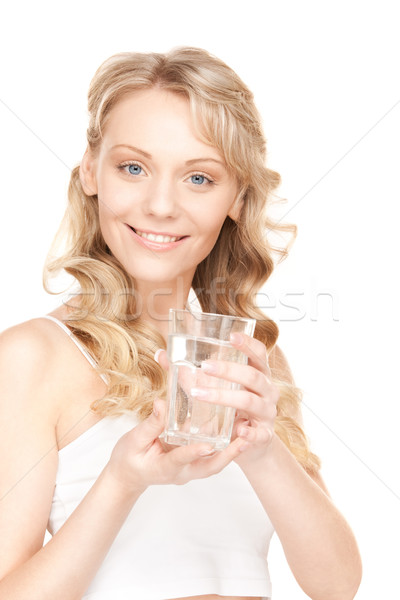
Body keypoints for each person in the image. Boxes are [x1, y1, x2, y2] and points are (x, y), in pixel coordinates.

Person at [0, 47, 361, 600]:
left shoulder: (246, 356)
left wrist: (265, 450)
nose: (161, 205)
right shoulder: (33, 357)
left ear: (237, 198)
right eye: (134, 168)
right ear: (91, 170)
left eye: (198, 177)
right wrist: (122, 482)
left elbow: (336, 584)